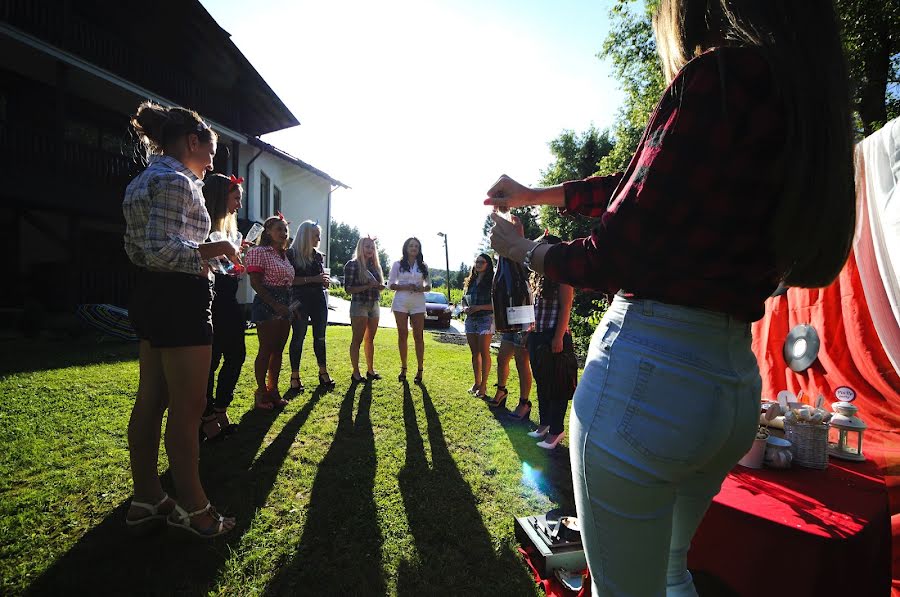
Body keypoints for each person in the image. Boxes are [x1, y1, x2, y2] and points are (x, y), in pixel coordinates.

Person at [487, 1, 855, 593]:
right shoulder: (804, 104)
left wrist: (526, 249)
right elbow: (643, 187)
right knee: (670, 572)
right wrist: (536, 194)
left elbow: (618, 251)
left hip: (648, 381)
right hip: (732, 384)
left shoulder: (720, 79)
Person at [122, 101, 236, 537]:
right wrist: (218, 249)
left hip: (150, 296)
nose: (211, 162)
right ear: (192, 142)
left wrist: (206, 248)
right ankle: (195, 509)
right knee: (187, 410)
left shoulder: (144, 179)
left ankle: (147, 497)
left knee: (151, 399)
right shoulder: (176, 180)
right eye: (209, 151)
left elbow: (146, 249)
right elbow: (163, 252)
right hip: (180, 299)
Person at [200, 173, 246, 441]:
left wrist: (236, 261)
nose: (239, 205)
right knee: (211, 360)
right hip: (209, 301)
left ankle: (220, 408)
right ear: (220, 198)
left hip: (228, 300)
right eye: (235, 198)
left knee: (236, 354)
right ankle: (206, 417)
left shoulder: (230, 233)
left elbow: (228, 269)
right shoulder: (204, 231)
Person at [524, 233, 576, 449]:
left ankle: (556, 431)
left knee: (557, 386)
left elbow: (566, 307)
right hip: (538, 335)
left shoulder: (563, 276)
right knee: (542, 383)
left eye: (542, 247)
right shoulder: (538, 277)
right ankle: (544, 424)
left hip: (555, 336)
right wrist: (529, 332)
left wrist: (558, 337)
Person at [245, 215, 294, 410]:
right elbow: (255, 283)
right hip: (267, 303)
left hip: (286, 302)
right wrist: (274, 304)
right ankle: (261, 393)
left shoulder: (285, 255)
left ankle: (273, 390)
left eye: (285, 230)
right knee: (266, 349)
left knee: (278, 350)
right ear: (268, 232)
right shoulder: (260, 252)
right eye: (279, 229)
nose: (283, 233)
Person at [487, 215, 533, 416]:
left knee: (522, 360)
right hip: (508, 313)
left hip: (522, 311)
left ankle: (524, 403)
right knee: (503, 357)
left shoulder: (521, 252)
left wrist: (518, 234)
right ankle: (502, 391)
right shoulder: (501, 258)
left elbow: (525, 278)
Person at [287, 220, 335, 392]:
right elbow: (288, 280)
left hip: (318, 299)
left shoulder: (318, 256)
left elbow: (322, 278)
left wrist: (325, 282)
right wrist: (313, 279)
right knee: (298, 337)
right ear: (306, 235)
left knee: (320, 337)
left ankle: (323, 372)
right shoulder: (291, 254)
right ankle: (295, 376)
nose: (319, 238)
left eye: (319, 235)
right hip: (298, 301)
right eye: (316, 235)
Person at [388, 237, 431, 384]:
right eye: (411, 246)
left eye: (416, 246)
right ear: (406, 248)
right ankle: (404, 368)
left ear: (419, 249)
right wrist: (406, 286)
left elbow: (429, 286)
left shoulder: (423, 266)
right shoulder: (397, 264)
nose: (414, 248)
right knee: (402, 335)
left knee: (418, 336)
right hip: (400, 302)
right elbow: (390, 284)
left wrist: (422, 288)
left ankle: (420, 369)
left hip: (418, 303)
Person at [344, 236, 385, 382]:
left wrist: (380, 286)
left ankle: (370, 370)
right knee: (357, 339)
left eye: (372, 247)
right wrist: (368, 285)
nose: (370, 250)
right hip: (359, 304)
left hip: (374, 304)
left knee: (370, 339)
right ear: (360, 247)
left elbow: (379, 287)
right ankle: (356, 372)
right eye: (367, 246)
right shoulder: (352, 265)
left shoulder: (375, 266)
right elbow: (348, 289)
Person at [462, 254, 495, 398]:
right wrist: (465, 308)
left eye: (482, 262)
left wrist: (479, 307)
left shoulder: (492, 282)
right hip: (470, 319)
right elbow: (464, 299)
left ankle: (483, 386)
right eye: (477, 261)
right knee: (475, 353)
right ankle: (476, 382)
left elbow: (496, 305)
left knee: (484, 352)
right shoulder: (471, 281)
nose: (478, 264)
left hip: (486, 319)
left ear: (488, 265)